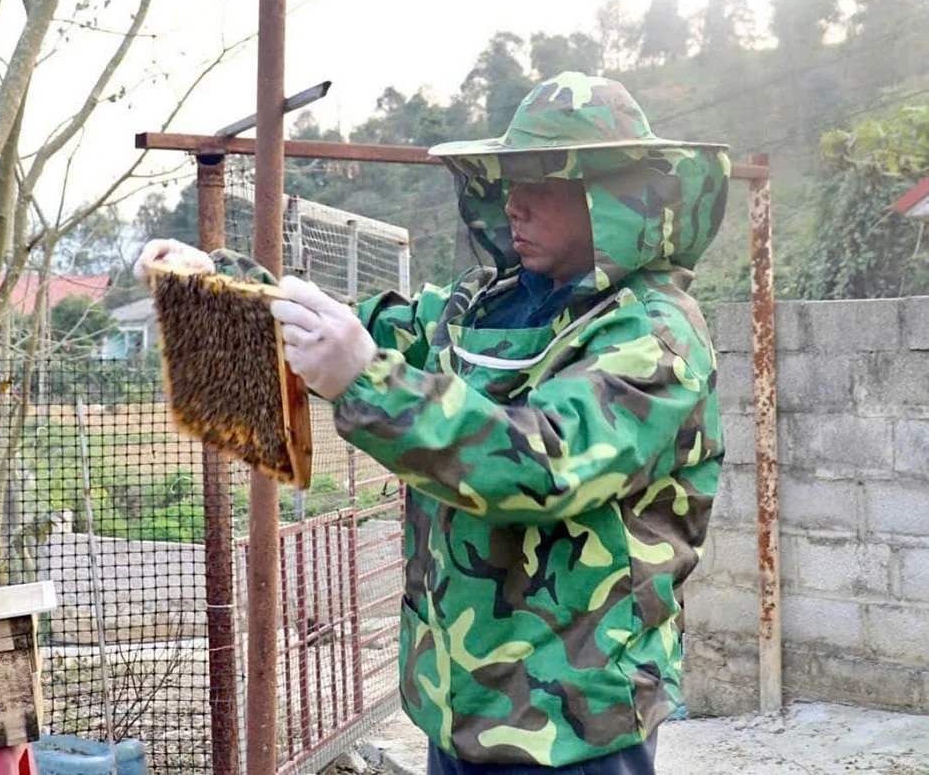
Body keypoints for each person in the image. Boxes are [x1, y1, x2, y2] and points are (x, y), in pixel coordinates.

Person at [134, 71, 729, 774]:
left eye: (542, 183)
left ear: (611, 198)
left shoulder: (652, 335)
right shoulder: (486, 302)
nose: (515, 204)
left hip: (575, 720)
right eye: (509, 181)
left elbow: (543, 464)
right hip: (458, 701)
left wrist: (365, 383)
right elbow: (365, 331)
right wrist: (219, 279)